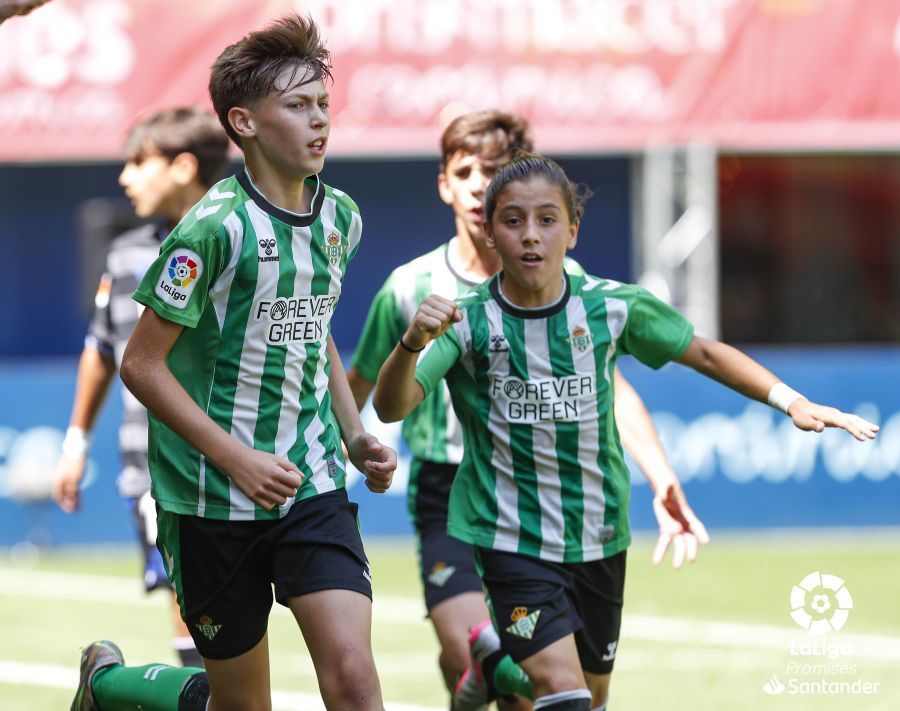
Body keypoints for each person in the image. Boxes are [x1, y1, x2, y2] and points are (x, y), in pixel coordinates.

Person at [372, 153, 878, 711]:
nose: (531, 236)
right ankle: (506, 663)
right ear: (491, 234)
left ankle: (493, 663)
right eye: (513, 221)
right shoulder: (465, 320)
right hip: (509, 536)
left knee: (590, 693)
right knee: (563, 691)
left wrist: (791, 400)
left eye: (547, 219)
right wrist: (413, 341)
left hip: (599, 532)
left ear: (573, 230)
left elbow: (705, 354)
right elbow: (393, 406)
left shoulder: (610, 308)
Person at [71, 14, 396, 711]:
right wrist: (235, 458)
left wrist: (352, 430)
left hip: (309, 482)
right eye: (297, 106)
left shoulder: (342, 217)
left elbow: (316, 329)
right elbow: (141, 364)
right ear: (244, 122)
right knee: (241, 705)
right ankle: (107, 686)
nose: (319, 122)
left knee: (354, 678)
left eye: (322, 105)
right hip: (208, 496)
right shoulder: (210, 230)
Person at [347, 112, 708, 710]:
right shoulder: (410, 287)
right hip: (453, 489)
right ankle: (485, 668)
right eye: (464, 173)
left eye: (489, 173)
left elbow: (610, 391)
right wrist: (347, 450)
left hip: (546, 498)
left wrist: (659, 473)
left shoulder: (572, 283)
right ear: (446, 185)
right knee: (473, 654)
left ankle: (498, 672)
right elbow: (362, 386)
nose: (474, 185)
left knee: (553, 685)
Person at [52, 106, 230, 670]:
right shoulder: (126, 253)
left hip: (247, 457)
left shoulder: (244, 240)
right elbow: (101, 349)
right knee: (194, 611)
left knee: (241, 617)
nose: (124, 178)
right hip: (156, 467)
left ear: (182, 166)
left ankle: (109, 687)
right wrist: (75, 443)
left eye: (137, 162)